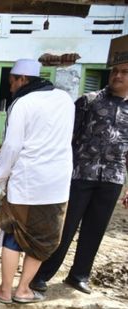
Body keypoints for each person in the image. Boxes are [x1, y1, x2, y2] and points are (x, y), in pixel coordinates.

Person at [31, 62, 128, 295]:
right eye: (115, 71)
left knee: (95, 229)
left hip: (113, 177)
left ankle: (79, 275)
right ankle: (41, 274)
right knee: (65, 226)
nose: (117, 75)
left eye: (124, 72)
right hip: (80, 173)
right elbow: (67, 137)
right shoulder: (89, 101)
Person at [0, 59, 74, 305]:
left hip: (27, 180)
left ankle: (4, 290)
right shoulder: (65, 100)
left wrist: (1, 175)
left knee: (14, 233)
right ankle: (23, 290)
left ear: (22, 79)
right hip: (57, 183)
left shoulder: (23, 103)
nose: (11, 87)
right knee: (43, 237)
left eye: (12, 82)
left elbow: (12, 146)